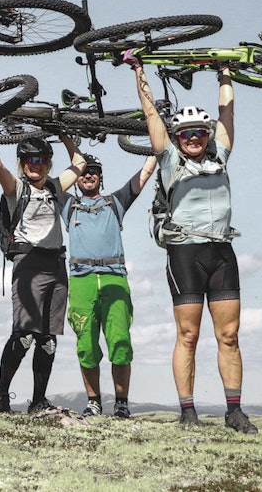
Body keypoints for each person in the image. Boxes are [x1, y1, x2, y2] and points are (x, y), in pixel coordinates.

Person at [129, 51, 257, 434]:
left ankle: (234, 411)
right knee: (188, 335)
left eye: (200, 132)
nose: (194, 138)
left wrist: (225, 74)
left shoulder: (220, 156)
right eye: (186, 134)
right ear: (177, 138)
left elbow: (228, 115)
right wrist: (139, 70)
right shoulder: (170, 160)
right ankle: (188, 412)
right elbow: (151, 115)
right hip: (185, 254)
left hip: (222, 252)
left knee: (230, 336)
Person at [0, 130, 84, 414]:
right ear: (22, 163)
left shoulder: (54, 187)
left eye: (40, 159)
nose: (34, 164)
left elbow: (80, 164)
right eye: (28, 159)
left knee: (48, 340)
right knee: (23, 335)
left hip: (56, 264)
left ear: (48, 163)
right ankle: (2, 396)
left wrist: (65, 134)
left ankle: (38, 400)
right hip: (28, 262)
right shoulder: (16, 188)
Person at [63, 153, 157, 419]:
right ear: (75, 178)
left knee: (120, 341)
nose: (88, 175)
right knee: (86, 344)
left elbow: (144, 175)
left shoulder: (115, 202)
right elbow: (45, 182)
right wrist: (69, 143)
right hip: (81, 279)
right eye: (83, 171)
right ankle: (93, 402)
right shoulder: (67, 204)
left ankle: (121, 403)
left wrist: (158, 145)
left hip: (114, 277)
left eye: (93, 171)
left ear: (101, 177)